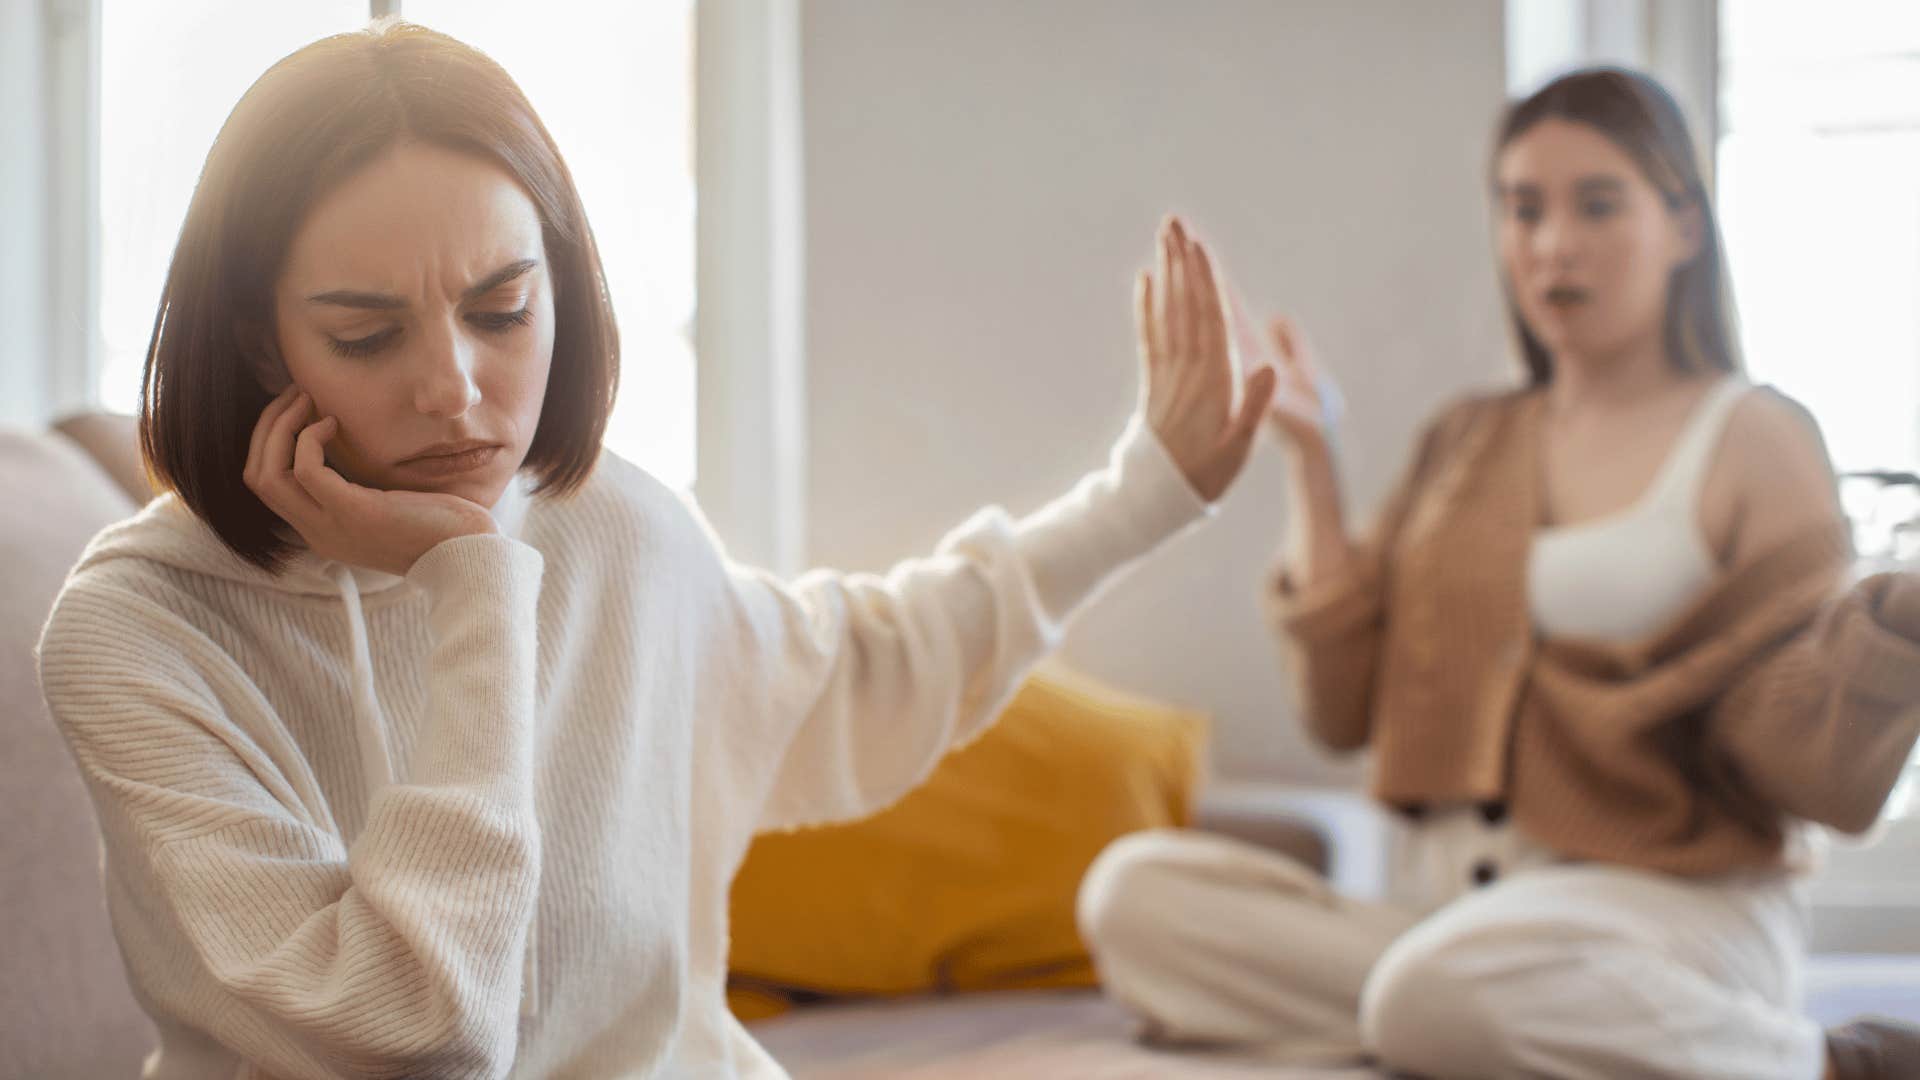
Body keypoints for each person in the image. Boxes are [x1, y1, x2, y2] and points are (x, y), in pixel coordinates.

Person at [35, 20, 1278, 1079]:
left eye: (502, 311)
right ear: (261, 345)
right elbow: (413, 1032)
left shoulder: (611, 527)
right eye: (366, 335)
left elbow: (863, 666)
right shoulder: (139, 633)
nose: (457, 391)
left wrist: (1144, 495)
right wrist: (472, 589)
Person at [1077, 67, 1920, 1080]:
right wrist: (1313, 464)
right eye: (1523, 209)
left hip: (1667, 909)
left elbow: (1802, 752)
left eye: (1597, 204)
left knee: (1444, 987)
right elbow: (1341, 713)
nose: (1552, 242)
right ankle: (1487, 1031)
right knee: (1132, 897)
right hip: (1448, 915)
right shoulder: (1467, 438)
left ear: (1685, 226)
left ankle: (1832, 1063)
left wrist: (1902, 616)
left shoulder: (1755, 435)